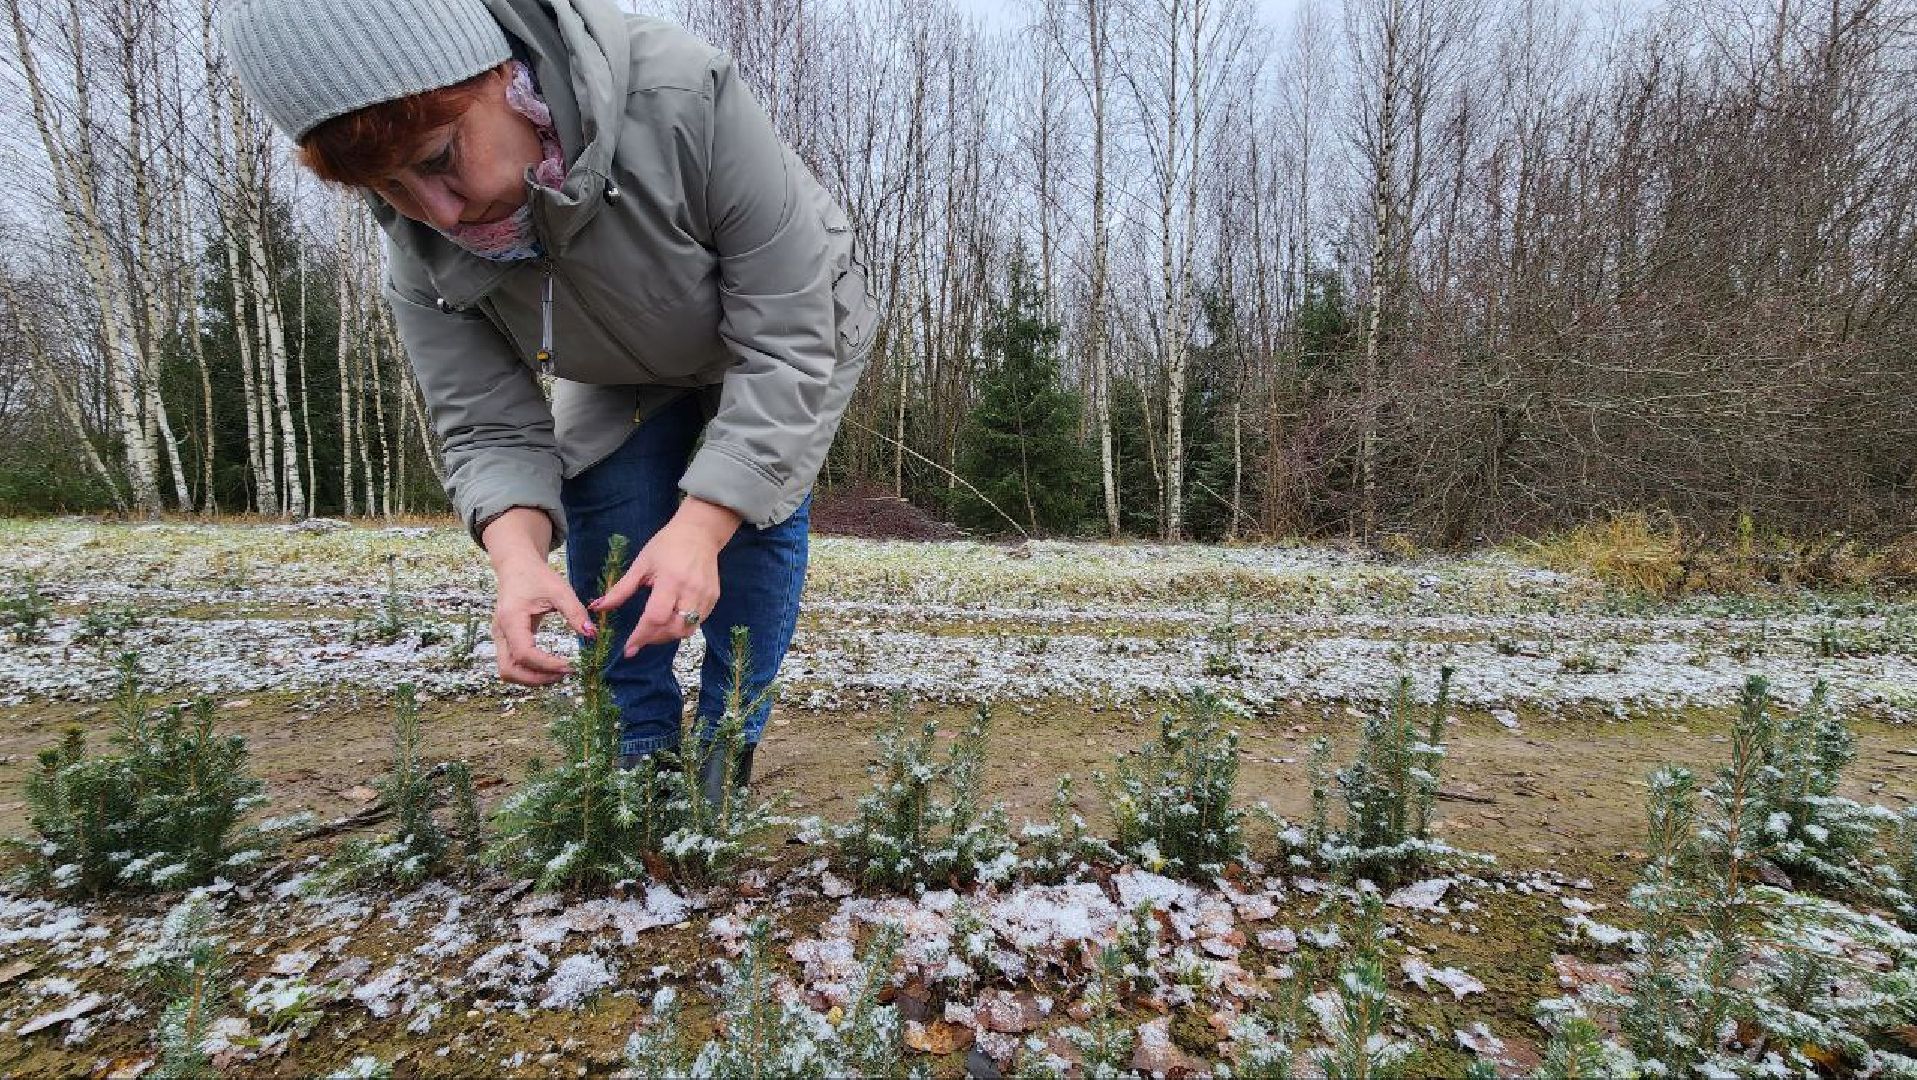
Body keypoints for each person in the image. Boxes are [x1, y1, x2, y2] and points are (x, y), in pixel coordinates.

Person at [217, 0, 877, 803]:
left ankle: (722, 747)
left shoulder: (681, 94)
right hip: (615, 363)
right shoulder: (420, 246)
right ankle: (640, 752)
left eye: (435, 159)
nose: (441, 214)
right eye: (388, 188)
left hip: (790, 322)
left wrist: (703, 523)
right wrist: (516, 558)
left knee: (752, 517)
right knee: (604, 499)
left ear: (500, 74)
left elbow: (785, 338)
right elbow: (485, 422)